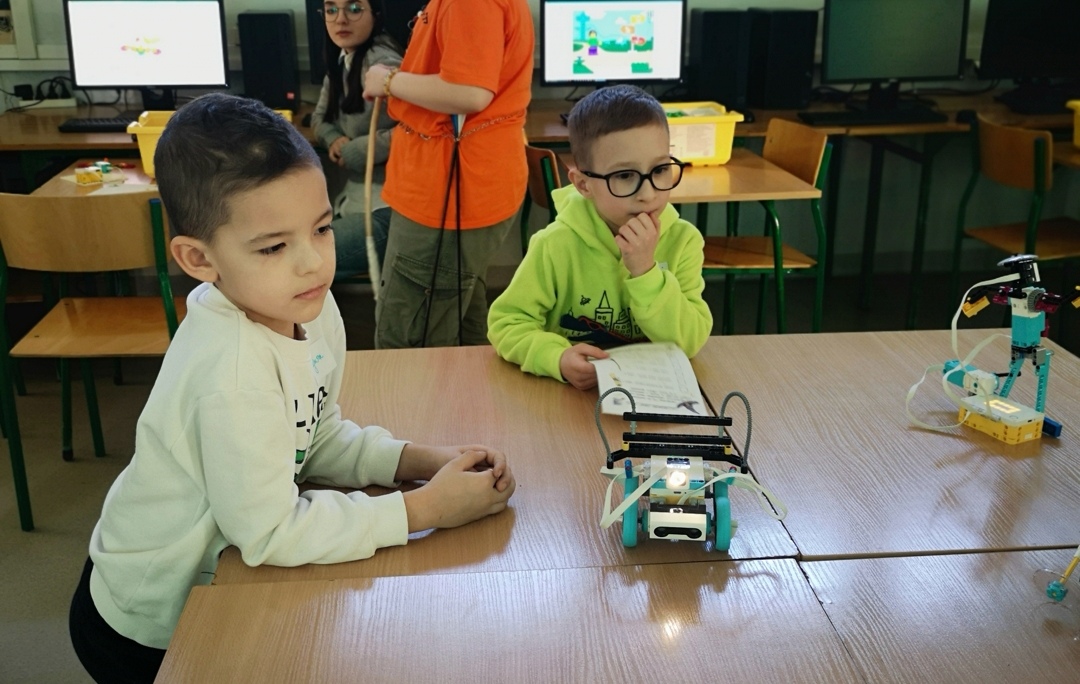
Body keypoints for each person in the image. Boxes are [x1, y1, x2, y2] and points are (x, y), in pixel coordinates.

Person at [68, 93, 516, 683]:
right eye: (274, 246)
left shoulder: (308, 306)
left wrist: (419, 460)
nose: (313, 263)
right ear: (198, 258)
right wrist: (424, 509)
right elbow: (269, 533)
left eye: (322, 228)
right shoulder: (231, 373)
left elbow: (314, 434)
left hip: (221, 575)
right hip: (150, 620)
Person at [486, 85, 712, 390]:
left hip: (655, 391)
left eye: (660, 169)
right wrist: (557, 358)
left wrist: (645, 272)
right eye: (624, 176)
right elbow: (507, 322)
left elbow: (689, 341)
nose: (648, 194)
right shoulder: (555, 245)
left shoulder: (684, 241)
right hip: (569, 395)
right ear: (583, 185)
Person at [360, 0, 534, 349]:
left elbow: (469, 92)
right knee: (460, 315)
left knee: (411, 340)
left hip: (448, 194)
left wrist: (389, 81)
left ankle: (429, 389)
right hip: (456, 187)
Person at [310, 0, 402, 280]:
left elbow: (416, 130)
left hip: (387, 208)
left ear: (376, 14)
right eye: (331, 10)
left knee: (304, 260)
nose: (340, 19)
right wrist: (333, 138)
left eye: (354, 9)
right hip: (355, 200)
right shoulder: (344, 59)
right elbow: (318, 118)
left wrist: (356, 150)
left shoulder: (383, 63)